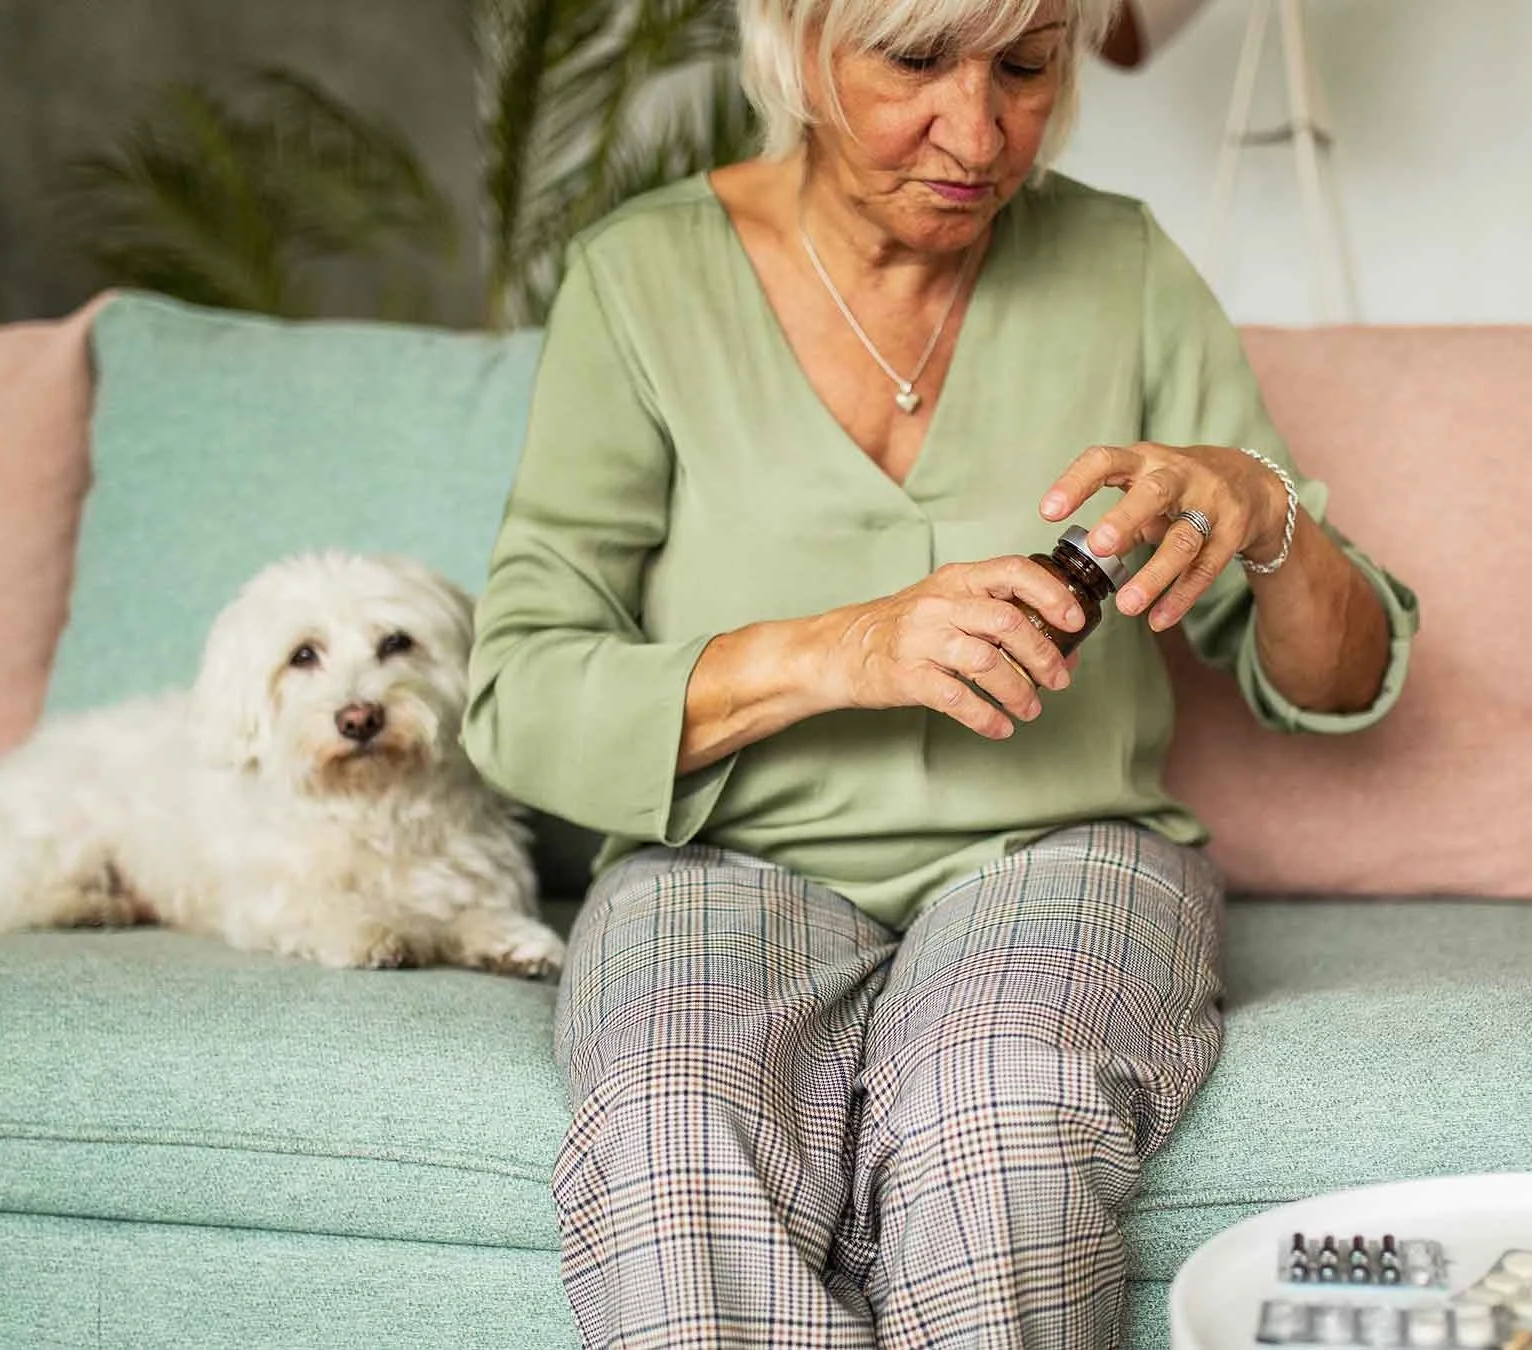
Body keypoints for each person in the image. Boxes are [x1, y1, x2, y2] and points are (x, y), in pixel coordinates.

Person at [463, 0, 1419, 1342]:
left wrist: (1266, 514)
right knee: (669, 1121)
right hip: (727, 853)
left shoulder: (1122, 267)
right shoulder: (644, 280)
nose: (977, 133)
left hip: (1063, 844)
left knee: (1000, 1100)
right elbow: (518, 694)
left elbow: (1337, 682)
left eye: (1026, 70)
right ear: (796, 45)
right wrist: (843, 647)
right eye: (916, 62)